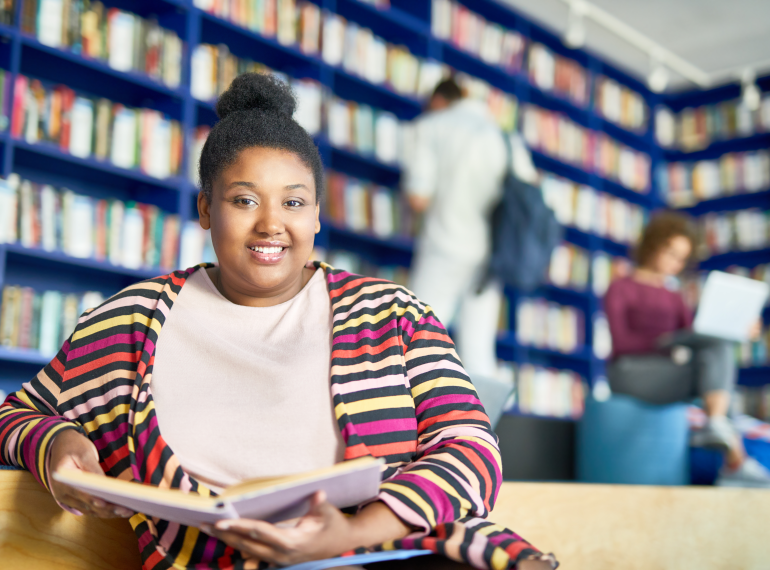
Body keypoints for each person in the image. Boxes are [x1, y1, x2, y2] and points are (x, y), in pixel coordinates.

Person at [0, 73, 556, 570]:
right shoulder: (129, 323)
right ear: (204, 209)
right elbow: (15, 414)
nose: (272, 225)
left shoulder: (394, 314)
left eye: (294, 203)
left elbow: (471, 447)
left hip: (389, 553)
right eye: (244, 201)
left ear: (317, 215)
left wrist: (354, 533)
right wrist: (56, 442)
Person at [604, 211, 770, 488]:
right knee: (713, 372)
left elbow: (699, 339)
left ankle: (717, 427)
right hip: (629, 372)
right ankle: (735, 461)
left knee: (717, 346)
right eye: (670, 253)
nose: (674, 263)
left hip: (668, 371)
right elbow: (621, 343)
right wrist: (667, 341)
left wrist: (737, 329)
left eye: (681, 258)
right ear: (652, 245)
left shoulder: (675, 295)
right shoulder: (621, 287)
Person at [403, 78, 537, 387]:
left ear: (438, 100)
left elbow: (418, 198)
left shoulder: (432, 126)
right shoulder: (504, 136)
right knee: (478, 350)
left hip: (445, 244)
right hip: (491, 256)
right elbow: (530, 188)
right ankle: (483, 431)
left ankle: (406, 428)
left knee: (417, 339)